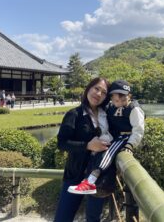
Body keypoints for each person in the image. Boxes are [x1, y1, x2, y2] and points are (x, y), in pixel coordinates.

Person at [68, 80, 145, 195]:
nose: (119, 103)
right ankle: (88, 181)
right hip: (115, 137)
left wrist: (130, 145)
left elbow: (138, 129)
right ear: (111, 98)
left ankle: (90, 181)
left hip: (125, 138)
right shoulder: (110, 107)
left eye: (123, 99)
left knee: (107, 154)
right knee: (98, 152)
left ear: (129, 96)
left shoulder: (134, 109)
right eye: (115, 100)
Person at [54, 77, 111, 222]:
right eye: (96, 88)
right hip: (75, 173)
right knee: (63, 217)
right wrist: (87, 145)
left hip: (98, 176)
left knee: (93, 218)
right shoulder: (74, 114)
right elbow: (62, 143)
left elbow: (126, 116)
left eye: (103, 92)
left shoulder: (107, 114)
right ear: (89, 89)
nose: (98, 94)